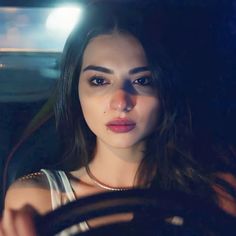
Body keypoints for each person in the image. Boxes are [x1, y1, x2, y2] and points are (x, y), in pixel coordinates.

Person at [1, 1, 236, 235]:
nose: (121, 102)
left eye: (142, 80)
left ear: (166, 90)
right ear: (75, 91)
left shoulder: (211, 194)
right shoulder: (34, 200)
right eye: (99, 81)